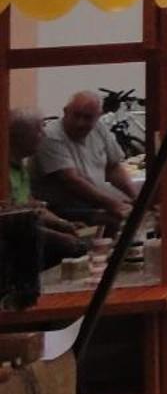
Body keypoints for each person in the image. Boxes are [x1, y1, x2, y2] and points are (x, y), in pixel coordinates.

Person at [33, 91, 141, 228]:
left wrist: (136, 198)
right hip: (64, 207)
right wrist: (113, 204)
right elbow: (71, 181)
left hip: (92, 202)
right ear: (65, 111)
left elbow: (113, 167)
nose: (80, 123)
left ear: (98, 117)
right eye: (76, 115)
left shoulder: (99, 129)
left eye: (88, 118)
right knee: (116, 222)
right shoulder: (51, 135)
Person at [7, 110, 91, 265]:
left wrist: (63, 223)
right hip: (14, 238)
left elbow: (32, 205)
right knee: (73, 247)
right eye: (38, 131)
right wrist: (58, 236)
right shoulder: (5, 173)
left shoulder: (20, 166)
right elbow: (12, 223)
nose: (44, 135)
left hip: (29, 229)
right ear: (20, 137)